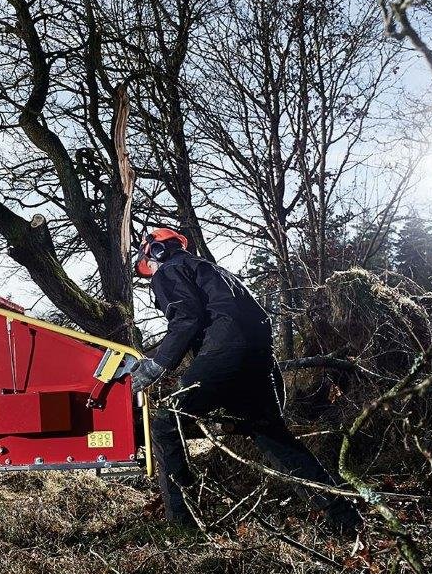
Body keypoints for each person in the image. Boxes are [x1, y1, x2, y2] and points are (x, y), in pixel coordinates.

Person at [129, 228, 363, 535]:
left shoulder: (170, 269)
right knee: (273, 437)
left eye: (150, 266)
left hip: (224, 351)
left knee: (165, 423)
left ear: (157, 251)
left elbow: (186, 317)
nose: (152, 274)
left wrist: (158, 364)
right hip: (258, 356)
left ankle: (184, 525)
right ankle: (345, 519)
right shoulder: (215, 272)